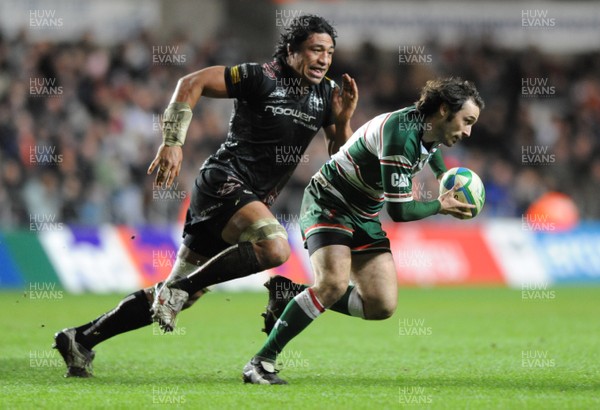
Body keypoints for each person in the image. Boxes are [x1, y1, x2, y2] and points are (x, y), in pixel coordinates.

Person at [53, 14, 358, 377]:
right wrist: (172, 142)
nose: (324, 59)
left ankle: (81, 339)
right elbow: (191, 82)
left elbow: (340, 155)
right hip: (222, 182)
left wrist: (342, 121)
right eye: (315, 50)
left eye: (329, 52)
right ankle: (181, 289)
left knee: (178, 294)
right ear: (292, 51)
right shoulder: (260, 77)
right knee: (275, 247)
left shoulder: (325, 94)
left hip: (248, 200)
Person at [242, 77, 485, 384]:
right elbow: (399, 210)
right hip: (330, 201)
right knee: (331, 285)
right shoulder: (400, 136)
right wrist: (440, 205)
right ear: (442, 110)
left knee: (381, 304)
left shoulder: (429, 126)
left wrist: (443, 172)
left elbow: (431, 147)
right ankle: (261, 362)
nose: (467, 132)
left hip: (365, 212)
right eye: (466, 121)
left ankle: (291, 295)